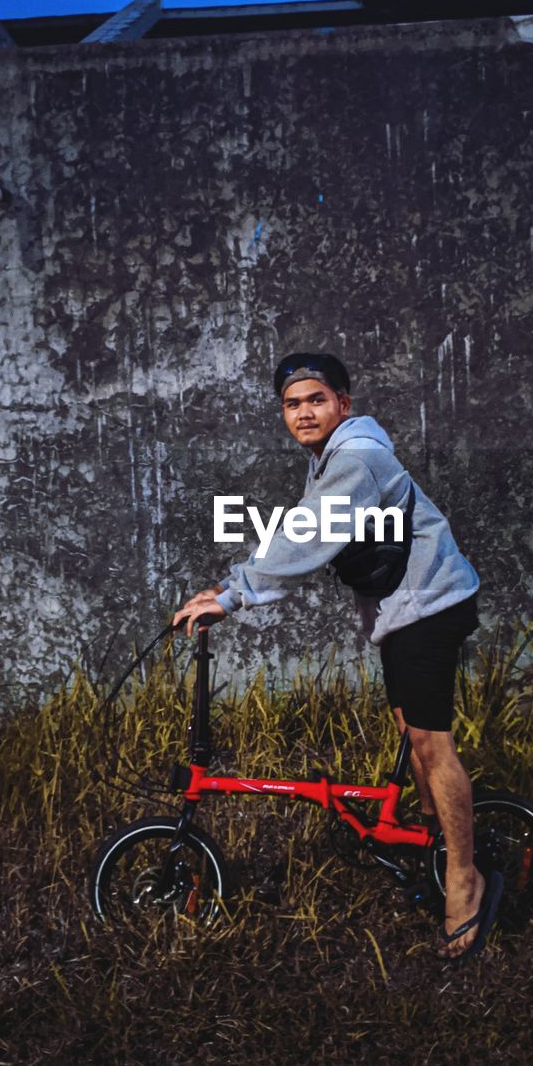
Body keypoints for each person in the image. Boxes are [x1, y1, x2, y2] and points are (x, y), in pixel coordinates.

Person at [173, 352, 502, 960]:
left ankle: (465, 878)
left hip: (431, 606)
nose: (304, 412)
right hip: (406, 608)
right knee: (410, 732)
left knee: (432, 743)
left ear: (342, 405)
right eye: (293, 404)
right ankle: (435, 842)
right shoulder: (333, 458)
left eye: (316, 400)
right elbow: (302, 528)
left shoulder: (356, 458)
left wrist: (238, 596)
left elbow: (311, 538)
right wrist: (227, 584)